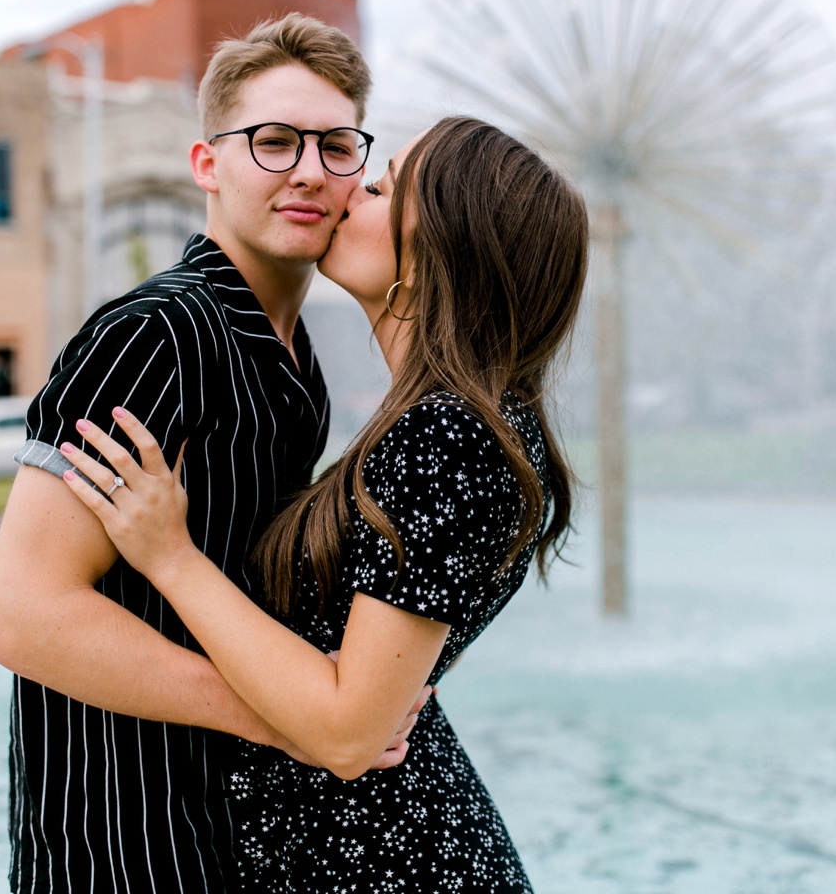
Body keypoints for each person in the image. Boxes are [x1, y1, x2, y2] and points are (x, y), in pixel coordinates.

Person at [57, 115, 590, 892]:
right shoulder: (477, 422)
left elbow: (345, 735)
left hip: (382, 865)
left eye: (377, 189)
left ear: (441, 248)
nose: (344, 197)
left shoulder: (447, 435)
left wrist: (168, 554)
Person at [0, 13, 428, 894]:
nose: (308, 170)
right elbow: (21, 615)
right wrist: (286, 720)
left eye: (337, 147)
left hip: (229, 834)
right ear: (207, 164)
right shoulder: (156, 335)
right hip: (124, 844)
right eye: (272, 141)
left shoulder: (293, 358)